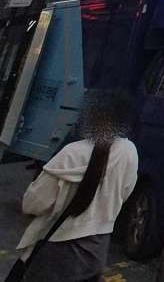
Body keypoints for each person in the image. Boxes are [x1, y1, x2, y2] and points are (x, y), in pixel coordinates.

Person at [14, 90, 138, 281]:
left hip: (58, 251)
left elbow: (33, 204)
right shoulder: (129, 151)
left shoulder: (72, 153)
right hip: (97, 253)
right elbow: (125, 193)